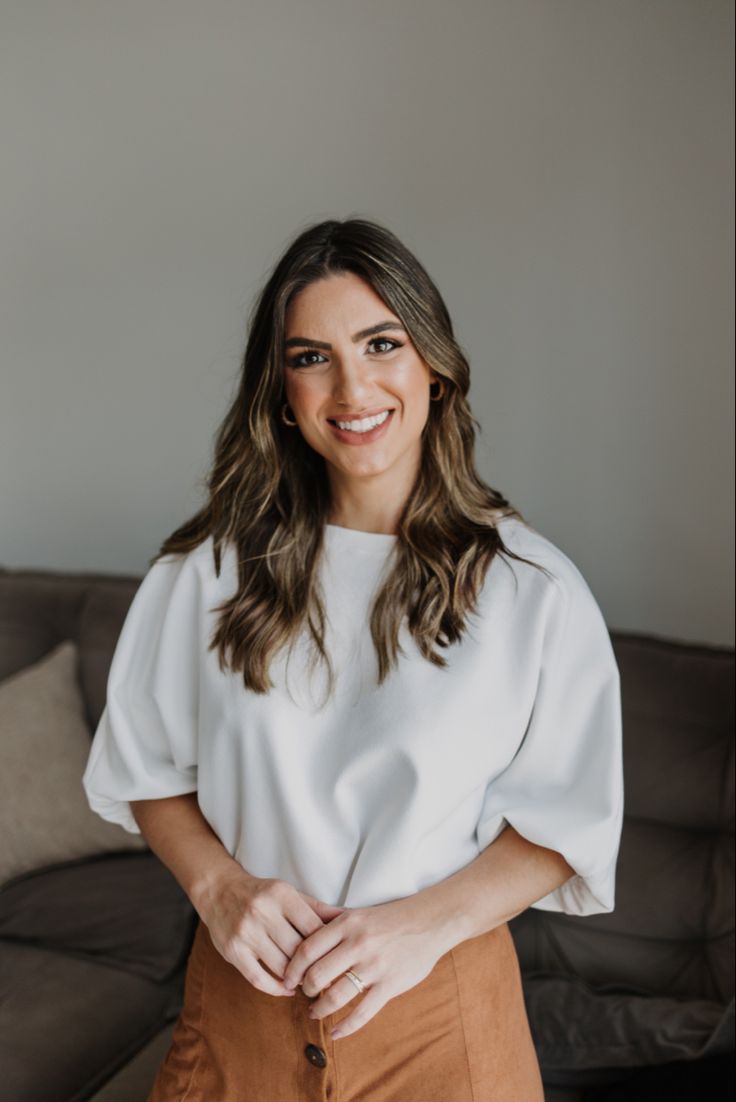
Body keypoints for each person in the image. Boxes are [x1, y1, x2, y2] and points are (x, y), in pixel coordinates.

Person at [82, 216, 624, 1101]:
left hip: (441, 1025)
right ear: (281, 391)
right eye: (310, 357)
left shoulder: (532, 590)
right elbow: (145, 767)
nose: (351, 386)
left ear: (434, 368)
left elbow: (565, 827)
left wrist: (417, 929)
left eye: (381, 343)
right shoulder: (205, 572)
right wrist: (218, 888)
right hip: (236, 1023)